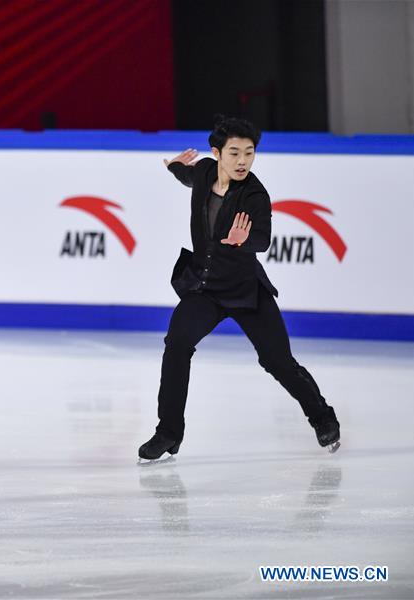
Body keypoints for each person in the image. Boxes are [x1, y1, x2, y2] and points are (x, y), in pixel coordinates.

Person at [138, 116, 341, 462]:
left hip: (247, 291)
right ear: (216, 153)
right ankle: (168, 433)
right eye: (234, 152)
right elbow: (186, 175)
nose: (243, 160)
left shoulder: (255, 195)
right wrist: (173, 165)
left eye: (249, 152)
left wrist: (245, 241)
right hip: (204, 288)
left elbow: (262, 239)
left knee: (278, 362)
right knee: (177, 345)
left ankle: (323, 417)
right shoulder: (203, 172)